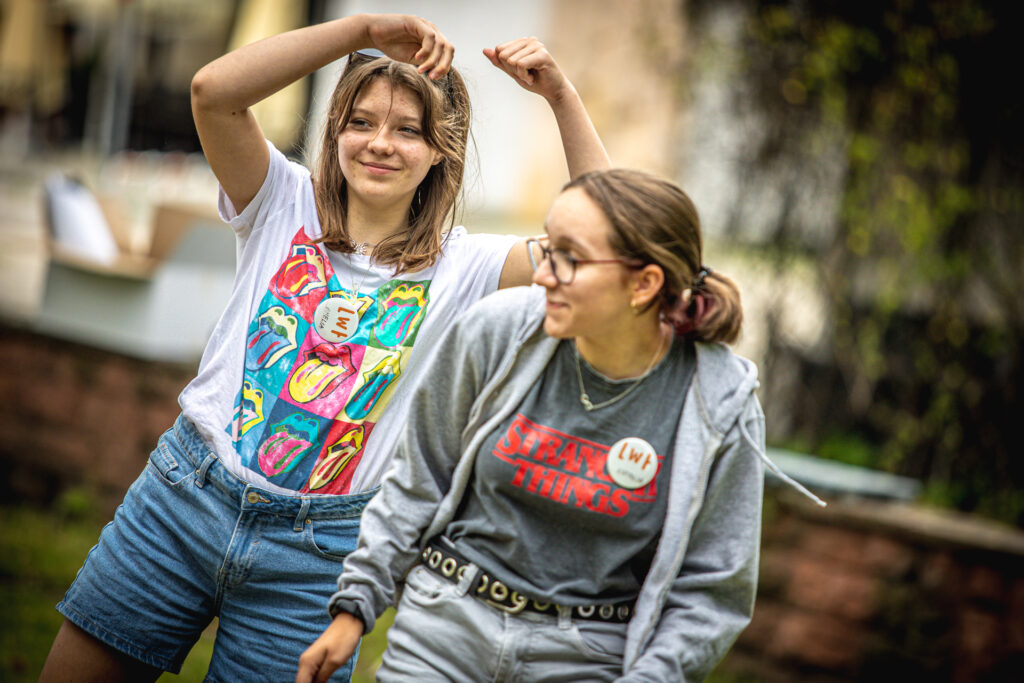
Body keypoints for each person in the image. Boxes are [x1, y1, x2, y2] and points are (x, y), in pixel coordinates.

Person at [39, 13, 610, 683]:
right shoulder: (280, 199)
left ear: (440, 152)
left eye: (407, 130)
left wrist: (561, 95)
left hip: (322, 555)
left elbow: (608, 241)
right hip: (183, 503)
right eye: (361, 121)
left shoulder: (470, 268)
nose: (379, 144)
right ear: (334, 129)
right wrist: (358, 31)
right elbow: (212, 91)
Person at [297, 168, 826, 682]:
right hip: (445, 627)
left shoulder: (719, 402)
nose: (544, 272)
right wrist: (355, 607)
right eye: (548, 249)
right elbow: (417, 483)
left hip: (589, 657)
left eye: (569, 258)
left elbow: (712, 588)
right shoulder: (496, 332)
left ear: (643, 284)